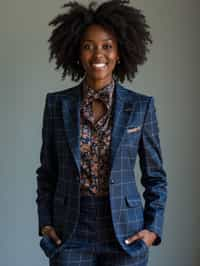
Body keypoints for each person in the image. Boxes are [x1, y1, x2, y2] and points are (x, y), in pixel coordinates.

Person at [35, 0, 168, 265]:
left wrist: (153, 229)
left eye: (107, 46)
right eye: (88, 46)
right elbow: (47, 172)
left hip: (125, 232)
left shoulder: (140, 107)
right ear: (77, 53)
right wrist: (45, 223)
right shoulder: (57, 105)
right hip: (70, 230)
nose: (98, 55)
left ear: (119, 53)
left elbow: (155, 177)